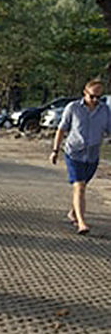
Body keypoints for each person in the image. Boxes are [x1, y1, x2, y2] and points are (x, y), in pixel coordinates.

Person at [50, 79, 111, 235]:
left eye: (99, 97)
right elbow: (61, 129)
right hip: (74, 153)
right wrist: (55, 150)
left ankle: (74, 212)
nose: (96, 100)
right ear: (85, 93)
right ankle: (82, 223)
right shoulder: (73, 108)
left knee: (82, 187)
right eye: (92, 96)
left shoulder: (104, 110)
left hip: (92, 155)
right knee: (80, 186)